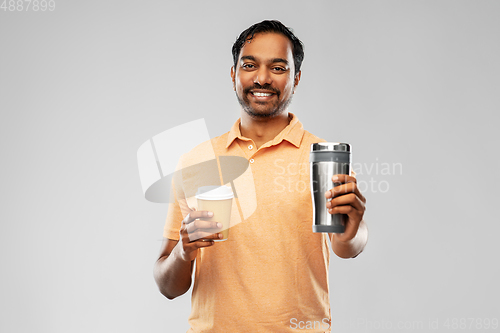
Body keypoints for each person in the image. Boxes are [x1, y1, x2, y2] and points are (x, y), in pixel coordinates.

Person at [154, 20, 368, 332]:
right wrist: (183, 252)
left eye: (278, 67)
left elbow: (347, 247)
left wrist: (354, 229)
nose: (262, 78)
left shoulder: (323, 158)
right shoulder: (197, 160)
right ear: (233, 75)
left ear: (296, 78)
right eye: (250, 65)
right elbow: (167, 285)